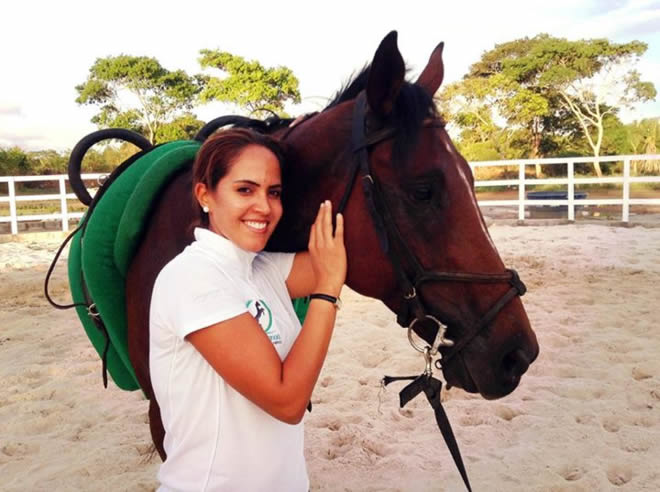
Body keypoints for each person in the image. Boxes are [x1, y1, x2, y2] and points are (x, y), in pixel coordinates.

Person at [149, 128, 346, 491]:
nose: (264, 207)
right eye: (245, 190)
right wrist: (326, 294)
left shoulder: (261, 269)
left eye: (274, 192)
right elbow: (287, 402)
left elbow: (339, 257)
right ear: (205, 195)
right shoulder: (192, 278)